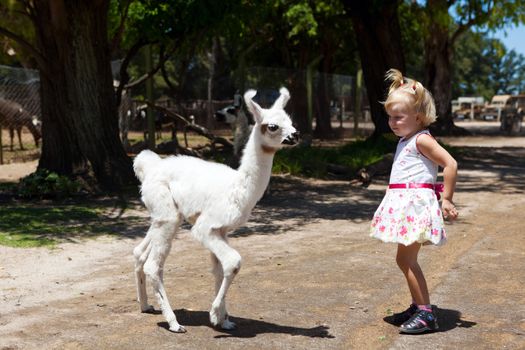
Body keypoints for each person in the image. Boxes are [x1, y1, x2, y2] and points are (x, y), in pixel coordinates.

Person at [370, 68, 459, 334]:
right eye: (390, 117)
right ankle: (417, 305)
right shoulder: (407, 139)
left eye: (399, 117)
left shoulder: (422, 139)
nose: (392, 122)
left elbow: (450, 163)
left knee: (407, 261)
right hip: (405, 205)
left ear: (418, 117)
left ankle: (426, 314)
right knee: (403, 260)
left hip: (415, 207)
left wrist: (447, 199)